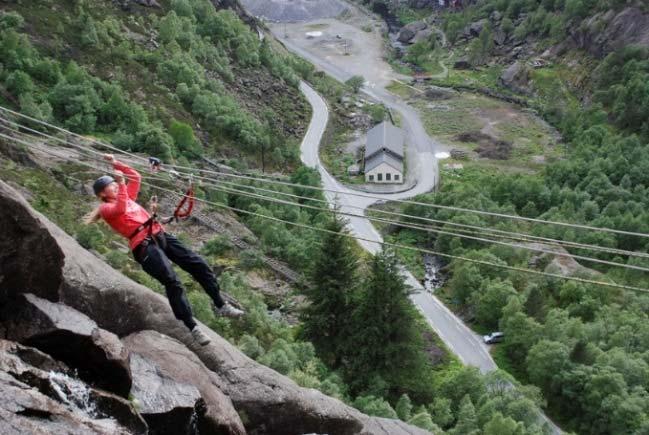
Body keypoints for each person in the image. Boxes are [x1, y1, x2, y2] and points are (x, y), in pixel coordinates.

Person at [85, 154, 243, 346]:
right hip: (144, 246)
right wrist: (121, 183)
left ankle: (220, 304)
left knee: (198, 264)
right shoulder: (106, 209)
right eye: (111, 185)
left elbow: (135, 177)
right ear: (103, 194)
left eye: (115, 184)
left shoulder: (127, 198)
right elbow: (119, 208)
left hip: (158, 235)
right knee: (172, 281)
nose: (116, 186)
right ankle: (192, 327)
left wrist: (115, 163)